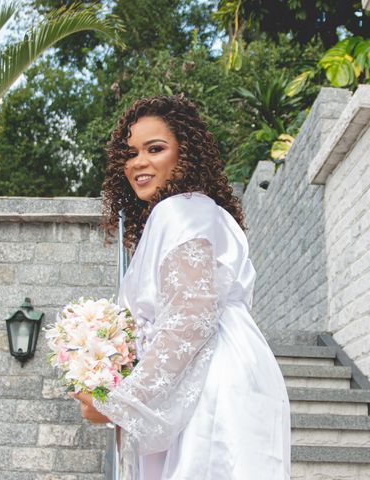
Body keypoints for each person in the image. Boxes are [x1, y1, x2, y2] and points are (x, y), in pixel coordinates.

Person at [72, 94, 291, 479]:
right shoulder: (202, 210)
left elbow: (190, 318)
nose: (138, 162)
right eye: (131, 153)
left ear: (184, 154)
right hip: (228, 373)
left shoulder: (181, 210)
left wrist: (117, 401)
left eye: (154, 149)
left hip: (209, 384)